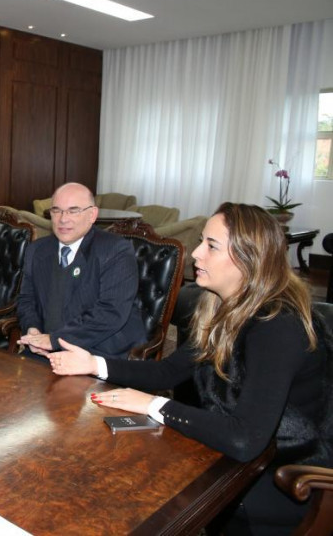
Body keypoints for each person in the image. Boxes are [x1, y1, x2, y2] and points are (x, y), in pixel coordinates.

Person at [47, 202, 332, 534]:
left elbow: (245, 439)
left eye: (211, 246)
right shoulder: (220, 308)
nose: (196, 253)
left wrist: (153, 404)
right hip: (234, 456)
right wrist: (93, 363)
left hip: (288, 477)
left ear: (248, 257)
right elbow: (168, 372)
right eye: (202, 241)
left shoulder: (277, 325)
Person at [16, 182, 145, 358]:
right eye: (56, 210)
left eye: (73, 211)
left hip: (97, 353)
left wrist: (54, 340)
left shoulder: (115, 250)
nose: (63, 219)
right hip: (45, 351)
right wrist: (33, 330)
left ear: (92, 215)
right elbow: (27, 299)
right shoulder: (37, 250)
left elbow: (110, 312)